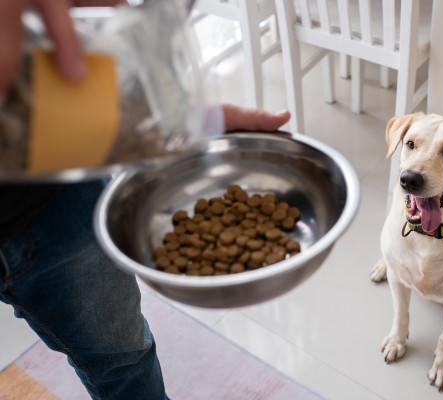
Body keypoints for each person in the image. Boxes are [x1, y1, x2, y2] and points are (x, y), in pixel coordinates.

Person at [0, 1, 290, 398]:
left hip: (51, 204)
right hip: (46, 206)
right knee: (121, 361)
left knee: (122, 361)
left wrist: (174, 122)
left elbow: (57, 89)